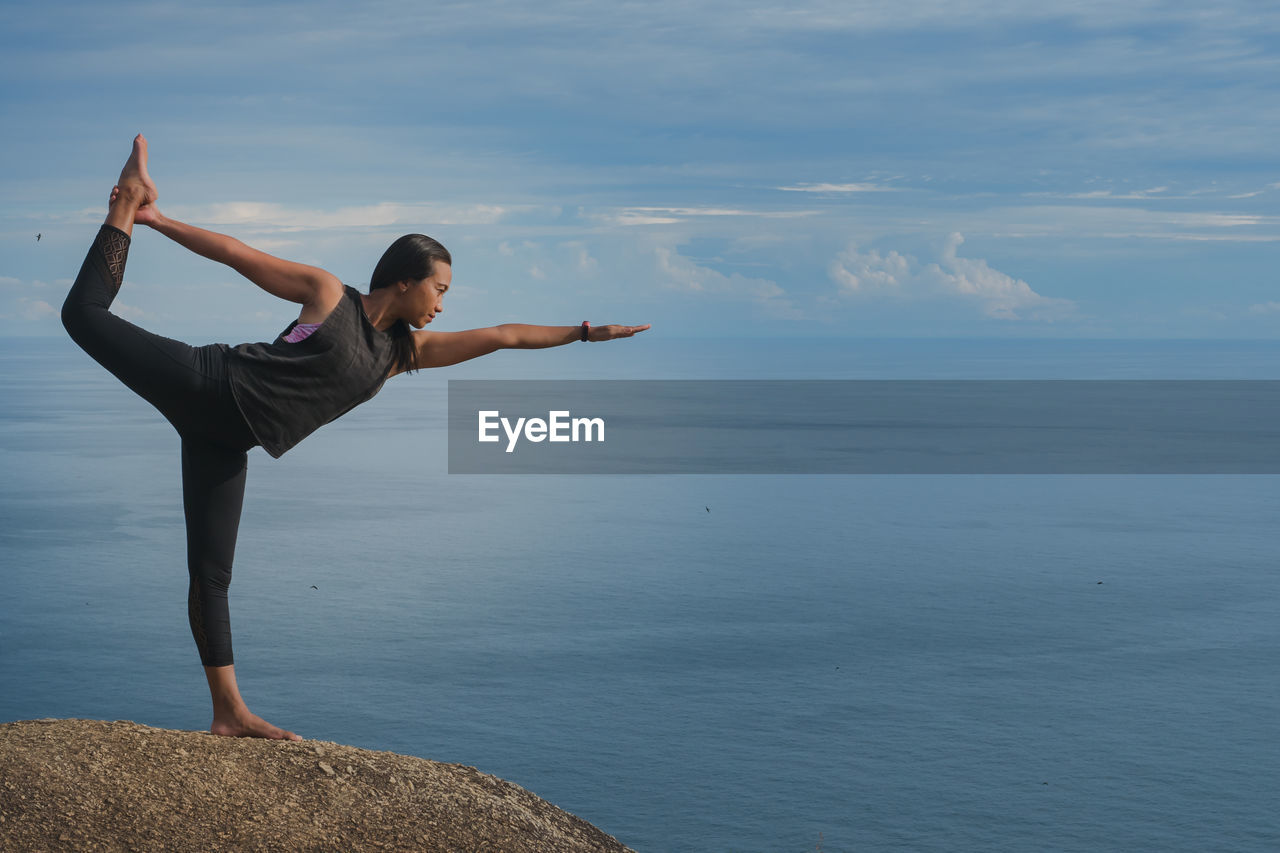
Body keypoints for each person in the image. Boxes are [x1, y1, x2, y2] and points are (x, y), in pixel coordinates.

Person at [62, 135, 650, 741]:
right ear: (404, 280)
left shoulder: (401, 356)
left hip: (229, 441)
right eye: (440, 289)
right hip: (211, 385)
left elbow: (503, 335)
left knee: (211, 576)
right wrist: (154, 220)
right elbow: (238, 254)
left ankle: (228, 712)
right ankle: (125, 204)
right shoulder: (328, 294)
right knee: (83, 316)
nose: (443, 305)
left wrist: (583, 333)